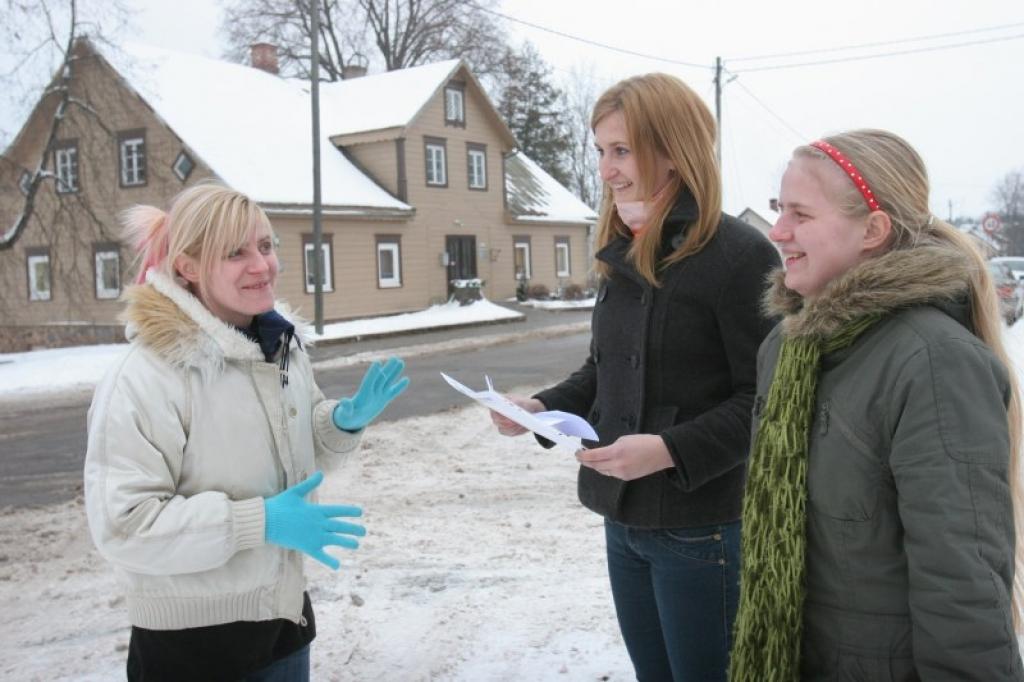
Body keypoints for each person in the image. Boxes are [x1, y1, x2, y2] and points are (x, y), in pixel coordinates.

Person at [490, 73, 780, 681]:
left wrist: (669, 450)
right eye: (601, 151)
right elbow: (606, 369)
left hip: (703, 530)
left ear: (673, 150)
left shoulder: (740, 256)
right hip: (624, 522)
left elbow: (766, 399)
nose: (606, 169)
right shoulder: (625, 247)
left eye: (621, 150)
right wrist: (540, 408)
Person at [729, 130, 1024, 681]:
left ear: (873, 230)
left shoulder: (933, 362)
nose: (777, 231)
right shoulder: (787, 346)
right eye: (778, 209)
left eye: (800, 214)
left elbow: (961, 578)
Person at [83, 184, 409, 681]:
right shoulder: (147, 376)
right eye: (235, 253)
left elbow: (301, 454)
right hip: (192, 649)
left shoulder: (278, 348)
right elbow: (125, 525)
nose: (262, 265)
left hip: (283, 625)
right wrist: (259, 522)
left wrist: (341, 422)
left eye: (266, 245)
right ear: (188, 267)